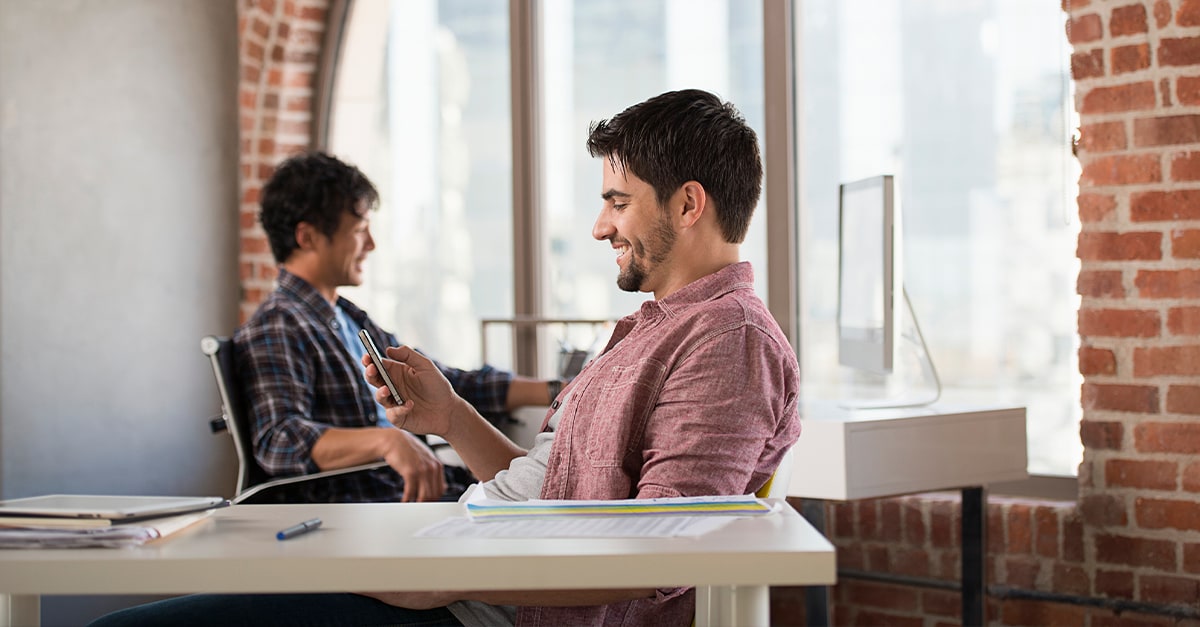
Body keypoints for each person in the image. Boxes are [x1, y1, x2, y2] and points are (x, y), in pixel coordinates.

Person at [88, 89, 800, 627]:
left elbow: (667, 553)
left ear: (687, 205)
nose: (599, 224)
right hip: (456, 562)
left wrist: (445, 577)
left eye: (618, 201)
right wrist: (451, 416)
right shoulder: (652, 327)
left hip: (475, 599)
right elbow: (545, 494)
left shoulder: (727, 340)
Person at [233, 151, 560, 503]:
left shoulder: (346, 318)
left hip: (410, 497)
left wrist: (558, 391)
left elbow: (443, 385)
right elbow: (279, 440)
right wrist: (385, 440)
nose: (371, 245)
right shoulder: (278, 325)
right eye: (359, 231)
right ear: (307, 237)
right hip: (368, 508)